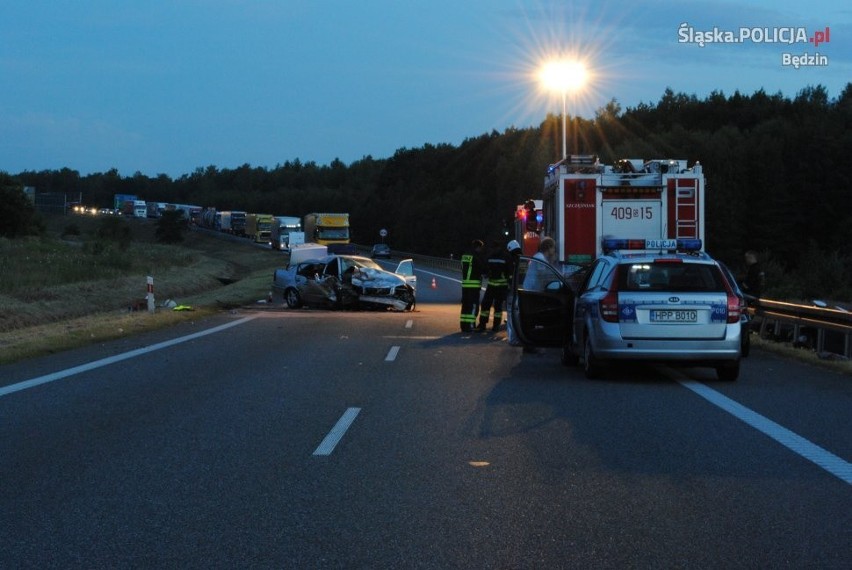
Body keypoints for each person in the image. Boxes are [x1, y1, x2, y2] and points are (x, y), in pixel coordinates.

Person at [477, 239, 511, 332]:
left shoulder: (496, 257)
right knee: (488, 305)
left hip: (498, 286)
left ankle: (492, 325)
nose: (493, 249)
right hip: (495, 285)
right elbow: (486, 269)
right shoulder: (504, 257)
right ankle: (485, 324)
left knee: (495, 306)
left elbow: (509, 272)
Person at [459, 239, 486, 332]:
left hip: (465, 284)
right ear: (478, 247)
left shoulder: (464, 256)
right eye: (481, 248)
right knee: (473, 305)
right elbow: (482, 269)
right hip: (474, 285)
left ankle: (463, 325)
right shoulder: (475, 257)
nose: (481, 250)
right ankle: (471, 325)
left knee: (465, 305)